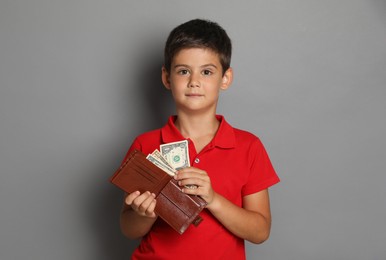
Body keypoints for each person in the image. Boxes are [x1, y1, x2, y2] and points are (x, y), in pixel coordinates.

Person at [119, 19, 280, 259]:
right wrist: (145, 214)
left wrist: (213, 199)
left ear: (225, 78)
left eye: (206, 72)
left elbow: (260, 231)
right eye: (183, 71)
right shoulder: (145, 144)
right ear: (167, 78)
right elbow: (128, 228)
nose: (194, 81)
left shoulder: (249, 146)